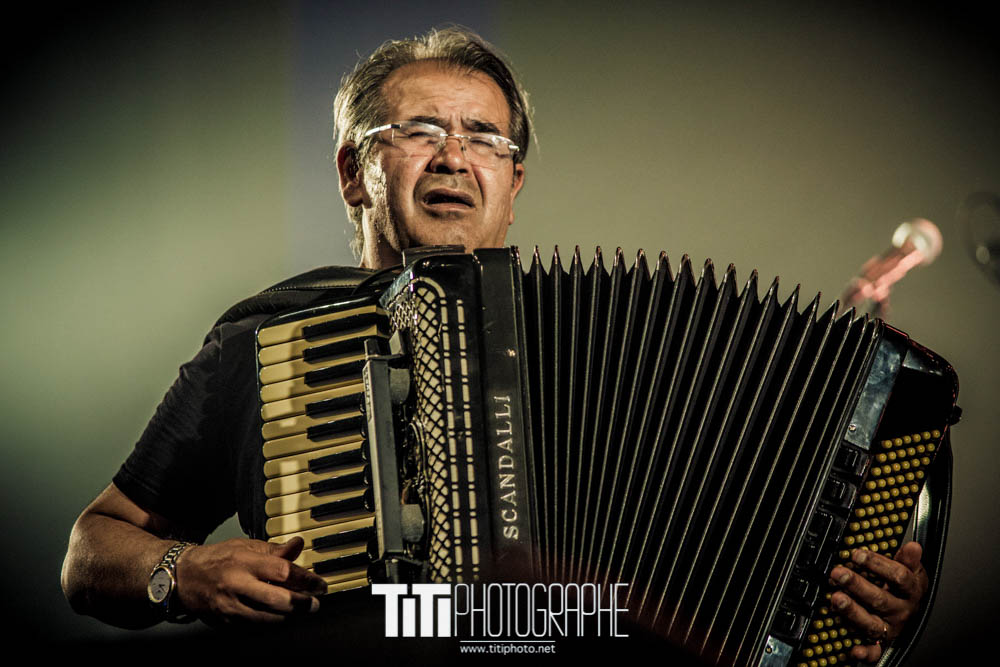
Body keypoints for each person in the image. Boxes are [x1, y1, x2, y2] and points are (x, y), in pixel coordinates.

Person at [61, 27, 927, 662]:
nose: (453, 156)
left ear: (513, 183)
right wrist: (183, 570)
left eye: (484, 137)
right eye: (419, 130)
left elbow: (778, 564)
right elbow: (92, 546)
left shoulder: (622, 341)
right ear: (350, 171)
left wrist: (866, 601)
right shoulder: (272, 334)